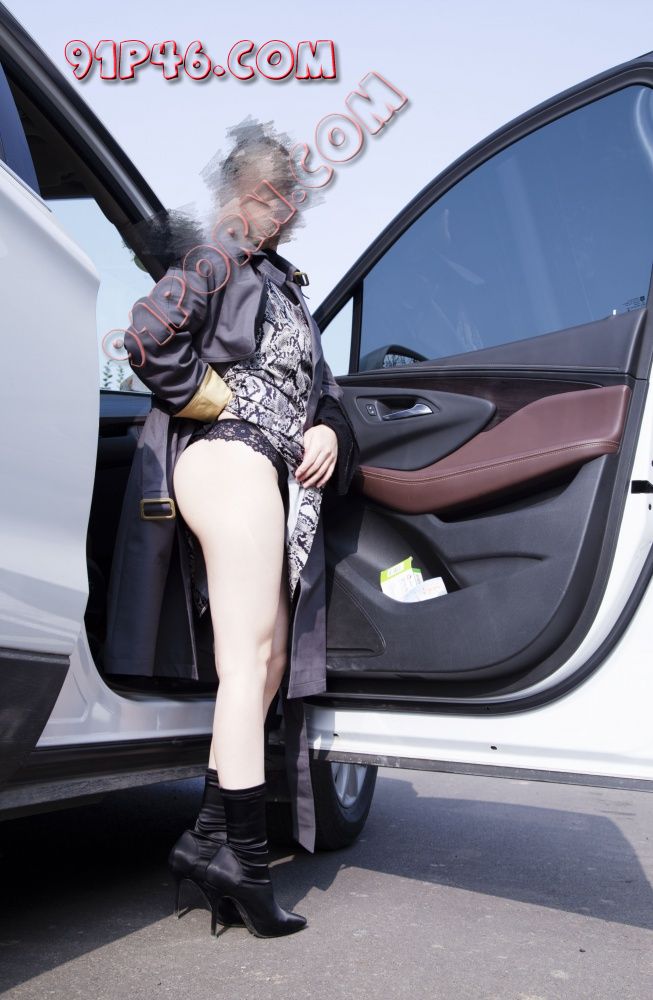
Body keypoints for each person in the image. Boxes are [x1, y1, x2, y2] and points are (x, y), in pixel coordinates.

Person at [119, 121, 354, 938]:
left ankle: (209, 837)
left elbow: (322, 388)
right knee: (247, 662)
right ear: (235, 193)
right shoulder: (214, 256)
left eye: (286, 198)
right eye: (265, 194)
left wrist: (328, 428)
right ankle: (246, 865)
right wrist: (213, 399)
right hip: (229, 455)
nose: (278, 210)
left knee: (267, 662)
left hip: (269, 466)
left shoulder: (284, 286)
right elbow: (146, 336)